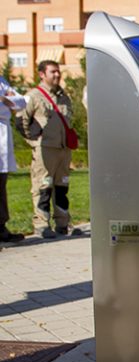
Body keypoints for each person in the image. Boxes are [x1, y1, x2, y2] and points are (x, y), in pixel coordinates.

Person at [20, 60, 80, 238]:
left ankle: (63, 224)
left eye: (58, 72)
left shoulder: (64, 97)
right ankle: (41, 225)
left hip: (63, 149)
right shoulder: (33, 96)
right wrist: (34, 142)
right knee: (43, 187)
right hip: (44, 149)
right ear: (42, 74)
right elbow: (20, 120)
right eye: (53, 72)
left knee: (62, 186)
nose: (57, 75)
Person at [0, 77, 26, 243]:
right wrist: (6, 101)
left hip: (3, 135)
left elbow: (21, 102)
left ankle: (1, 227)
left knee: (1, 183)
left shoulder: (2, 81)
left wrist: (4, 100)